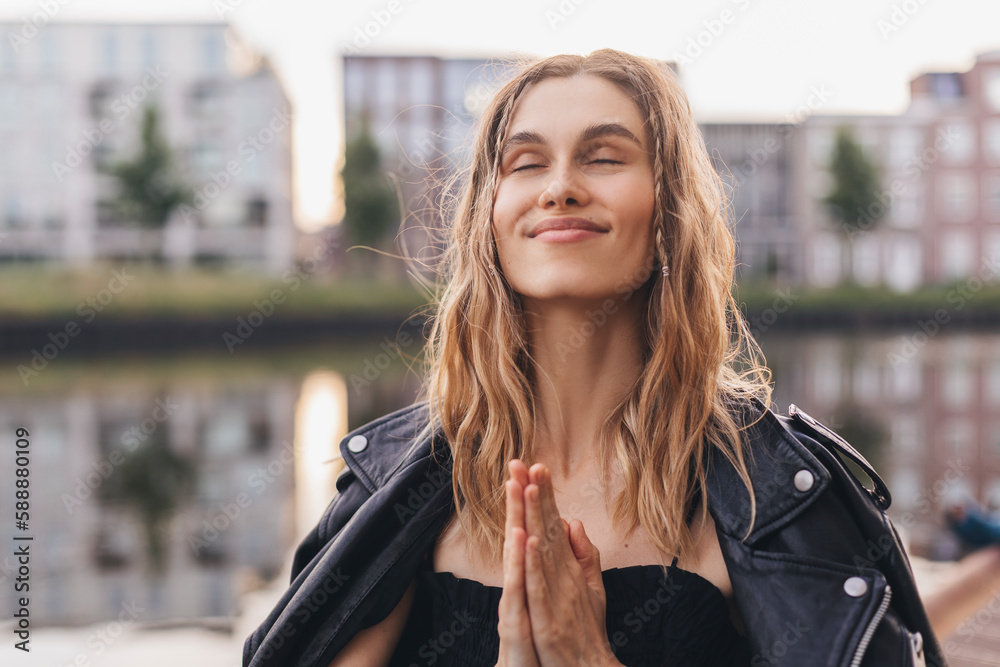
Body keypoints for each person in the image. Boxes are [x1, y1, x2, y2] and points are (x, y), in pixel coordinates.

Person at [243, 49, 943, 666]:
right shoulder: (394, 489)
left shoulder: (786, 496)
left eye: (603, 156)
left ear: (669, 213)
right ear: (490, 217)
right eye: (525, 162)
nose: (560, 186)